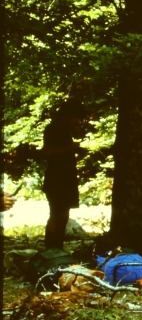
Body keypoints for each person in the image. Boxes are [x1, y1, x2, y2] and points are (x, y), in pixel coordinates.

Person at [42, 100, 85, 250]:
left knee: (64, 216)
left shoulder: (66, 131)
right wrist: (70, 147)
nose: (77, 121)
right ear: (67, 116)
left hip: (67, 180)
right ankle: (51, 249)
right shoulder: (52, 129)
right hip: (56, 180)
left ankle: (57, 248)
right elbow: (48, 151)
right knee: (56, 214)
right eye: (76, 117)